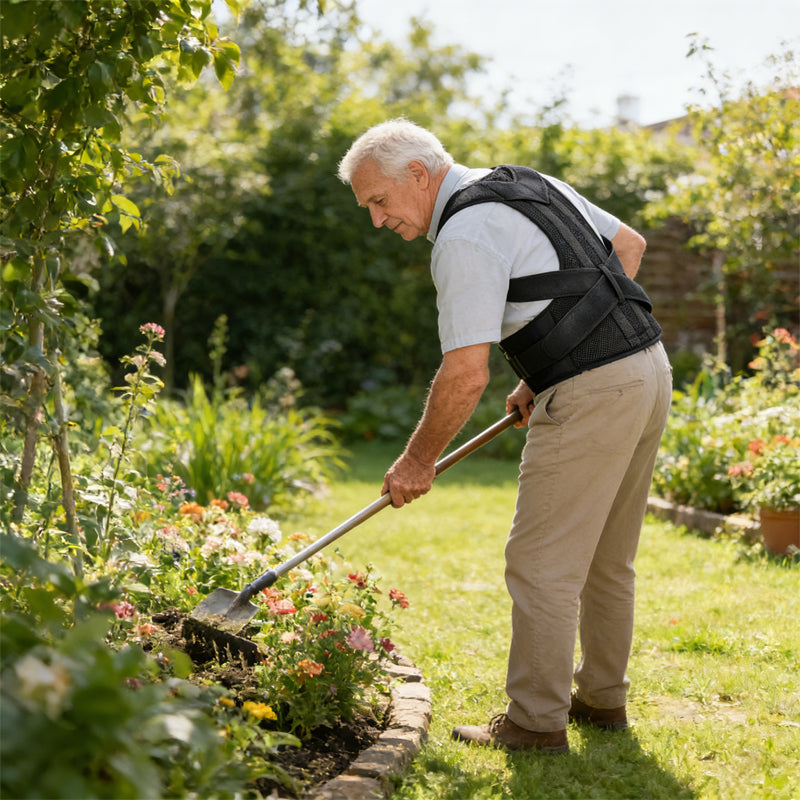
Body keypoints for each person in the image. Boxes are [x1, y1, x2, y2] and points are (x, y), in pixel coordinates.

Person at [337, 119, 672, 755]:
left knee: (541, 563)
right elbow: (627, 246)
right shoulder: (526, 182)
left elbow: (465, 374)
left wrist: (417, 460)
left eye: (379, 201)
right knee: (608, 557)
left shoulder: (463, 233)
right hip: (647, 371)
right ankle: (602, 700)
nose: (378, 221)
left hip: (594, 393)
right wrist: (543, 370)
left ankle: (535, 723)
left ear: (417, 174)